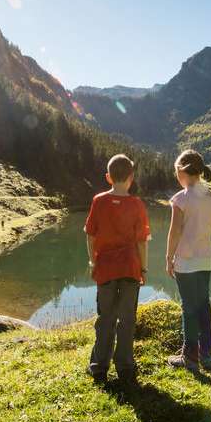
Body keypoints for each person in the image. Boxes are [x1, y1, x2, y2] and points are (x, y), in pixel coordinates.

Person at [84, 154, 150, 384]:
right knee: (127, 319)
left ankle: (99, 367)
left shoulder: (98, 201)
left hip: (105, 270)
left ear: (108, 177)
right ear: (131, 178)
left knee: (105, 319)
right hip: (130, 269)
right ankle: (125, 367)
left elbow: (90, 235)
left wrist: (93, 261)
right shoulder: (137, 204)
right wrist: (144, 268)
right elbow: (142, 241)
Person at [165, 149, 211, 372]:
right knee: (203, 305)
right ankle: (206, 355)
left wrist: (169, 258)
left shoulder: (180, 199)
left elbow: (174, 232)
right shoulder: (210, 197)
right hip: (205, 259)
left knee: (189, 308)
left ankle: (190, 358)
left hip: (186, 262)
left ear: (182, 171)